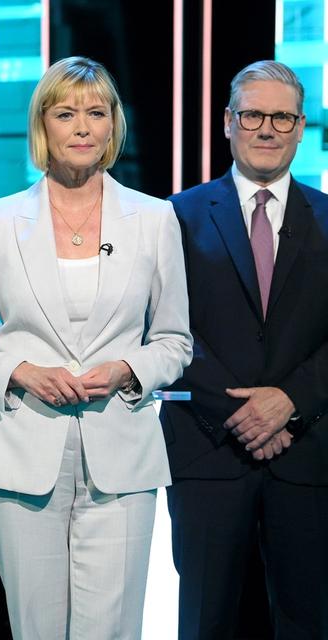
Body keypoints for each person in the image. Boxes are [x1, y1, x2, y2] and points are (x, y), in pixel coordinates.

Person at [0, 56, 192, 640]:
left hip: (121, 457)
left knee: (113, 630)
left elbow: (176, 342)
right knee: (37, 630)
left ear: (111, 127)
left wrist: (129, 368)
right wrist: (21, 370)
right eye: (66, 113)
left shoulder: (155, 219)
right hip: (21, 452)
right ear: (43, 126)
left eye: (95, 113)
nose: (82, 126)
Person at [161, 59, 328, 639]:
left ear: (302, 127)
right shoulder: (174, 217)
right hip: (207, 454)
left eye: (281, 117)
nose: (266, 128)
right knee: (205, 622)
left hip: (309, 456)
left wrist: (290, 401)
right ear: (228, 122)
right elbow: (164, 327)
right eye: (253, 114)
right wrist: (243, 412)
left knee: (308, 623)